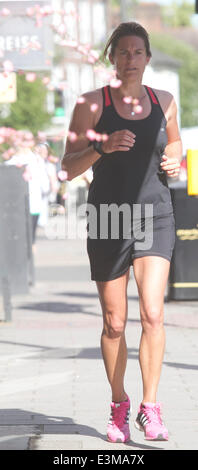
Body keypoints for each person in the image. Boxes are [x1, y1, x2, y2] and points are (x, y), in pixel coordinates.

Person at [61, 22, 182, 443]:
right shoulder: (91, 104)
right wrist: (100, 147)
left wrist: (175, 159)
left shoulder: (165, 101)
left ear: (148, 58)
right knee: (115, 321)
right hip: (110, 216)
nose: (130, 59)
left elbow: (175, 144)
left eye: (138, 52)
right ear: (111, 58)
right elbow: (67, 166)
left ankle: (151, 407)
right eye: (123, 52)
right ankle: (119, 404)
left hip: (155, 215)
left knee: (153, 313)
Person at [5, 145, 46, 253]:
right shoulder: (37, 161)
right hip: (34, 202)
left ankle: (19, 249)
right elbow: (44, 184)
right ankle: (31, 245)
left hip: (14, 203)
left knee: (16, 230)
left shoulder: (9, 164)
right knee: (31, 231)